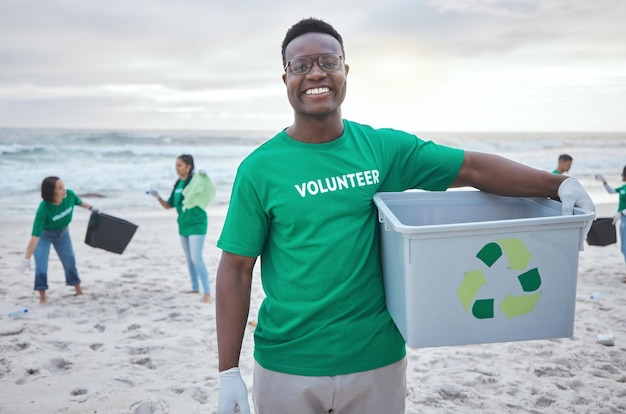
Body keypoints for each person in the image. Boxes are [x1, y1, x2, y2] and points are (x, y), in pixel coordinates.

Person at [215, 18, 595, 414]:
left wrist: (558, 185)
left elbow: (472, 169)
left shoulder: (382, 149)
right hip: (288, 364)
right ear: (285, 78)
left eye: (328, 61)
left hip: (377, 358)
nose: (315, 74)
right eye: (301, 65)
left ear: (345, 70)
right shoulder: (259, 169)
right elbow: (236, 268)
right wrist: (228, 373)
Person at [17, 176, 95, 304]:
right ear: (51, 192)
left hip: (63, 233)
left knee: (69, 260)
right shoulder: (43, 209)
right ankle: (42, 298)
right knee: (41, 266)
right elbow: (35, 237)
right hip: (44, 235)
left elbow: (79, 202)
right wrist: (26, 259)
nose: (64, 190)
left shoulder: (69, 195)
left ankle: (78, 290)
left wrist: (92, 208)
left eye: (63, 186)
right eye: (59, 188)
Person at [150, 154, 213, 303]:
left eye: (179, 165)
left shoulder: (195, 180)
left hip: (197, 223)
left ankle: (207, 292)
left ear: (188, 166)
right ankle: (195, 287)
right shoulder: (178, 183)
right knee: (189, 258)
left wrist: (205, 177)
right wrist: (157, 197)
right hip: (183, 224)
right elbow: (168, 206)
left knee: (197, 257)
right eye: (175, 166)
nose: (176, 169)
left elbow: (206, 188)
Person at [595, 166, 626, 271]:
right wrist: (604, 182)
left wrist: (621, 212)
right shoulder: (623, 188)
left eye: (623, 173)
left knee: (625, 248)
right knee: (623, 248)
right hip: (622, 220)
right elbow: (611, 191)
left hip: (623, 218)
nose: (621, 175)